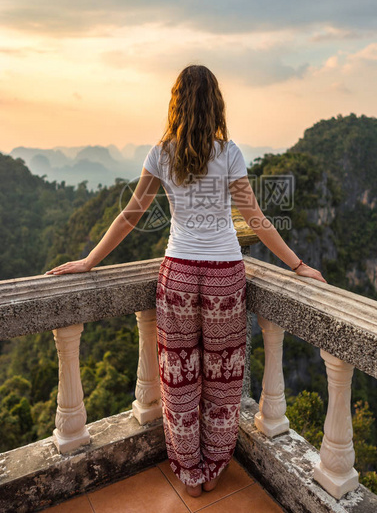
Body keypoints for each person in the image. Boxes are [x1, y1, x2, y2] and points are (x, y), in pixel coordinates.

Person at [45, 64, 327, 498]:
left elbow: (130, 215)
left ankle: (189, 474)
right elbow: (255, 218)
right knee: (223, 377)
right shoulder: (229, 152)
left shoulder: (162, 152)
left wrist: (89, 260)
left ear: (176, 102)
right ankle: (214, 467)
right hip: (224, 278)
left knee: (179, 377)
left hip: (177, 273)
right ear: (216, 103)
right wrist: (297, 265)